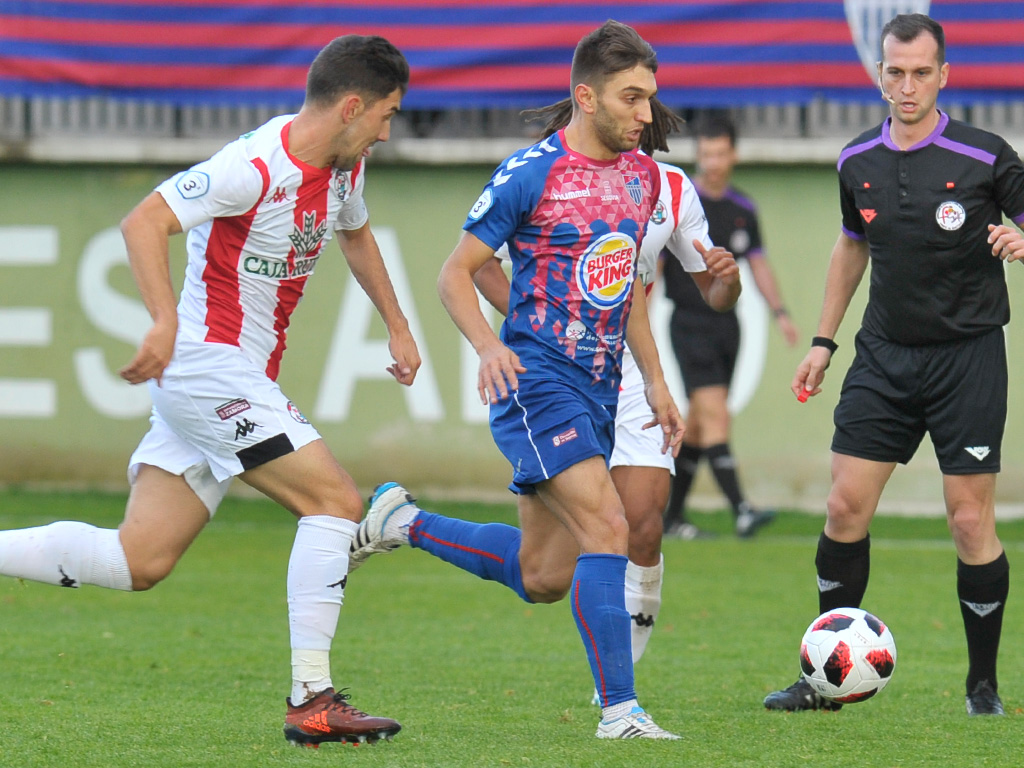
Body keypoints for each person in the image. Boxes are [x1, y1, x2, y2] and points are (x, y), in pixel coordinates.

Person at [0, 35, 421, 746]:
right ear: (352, 106)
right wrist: (163, 323)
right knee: (335, 503)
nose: (387, 129)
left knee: (139, 560)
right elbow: (146, 221)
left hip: (230, 376)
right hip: (205, 366)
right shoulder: (253, 165)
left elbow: (356, 235)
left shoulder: (345, 168)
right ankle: (311, 699)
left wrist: (399, 324)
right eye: (385, 114)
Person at [349, 20, 688, 739]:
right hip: (538, 384)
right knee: (610, 527)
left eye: (650, 98)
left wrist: (655, 381)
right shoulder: (531, 173)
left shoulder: (644, 176)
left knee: (543, 576)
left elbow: (624, 289)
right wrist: (490, 346)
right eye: (632, 98)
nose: (646, 114)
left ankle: (400, 521)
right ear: (585, 98)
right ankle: (620, 712)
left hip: (599, 385)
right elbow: (456, 273)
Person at [763, 13, 1024, 716]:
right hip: (883, 355)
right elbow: (852, 245)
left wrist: (1018, 235)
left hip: (967, 356)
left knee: (970, 522)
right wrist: (823, 342)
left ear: (944, 75)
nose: (906, 86)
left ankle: (982, 688)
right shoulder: (857, 161)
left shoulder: (986, 155)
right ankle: (824, 682)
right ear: (879, 74)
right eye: (894, 72)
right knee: (845, 506)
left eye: (920, 72)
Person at [472, 97, 741, 705]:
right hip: (557, 369)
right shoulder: (545, 174)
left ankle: (618, 693)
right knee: (545, 573)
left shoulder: (668, 189)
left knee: (641, 522)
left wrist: (729, 281)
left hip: (629, 370)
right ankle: (411, 524)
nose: (636, 126)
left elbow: (675, 294)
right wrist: (537, 316)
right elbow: (467, 265)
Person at [661, 113, 798, 540]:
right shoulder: (683, 205)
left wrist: (780, 312)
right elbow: (656, 264)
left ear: (733, 155)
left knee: (701, 426)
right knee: (716, 415)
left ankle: (670, 518)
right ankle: (742, 510)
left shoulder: (742, 209)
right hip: (688, 323)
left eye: (720, 153)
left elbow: (758, 263)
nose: (712, 162)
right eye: (705, 154)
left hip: (727, 325)